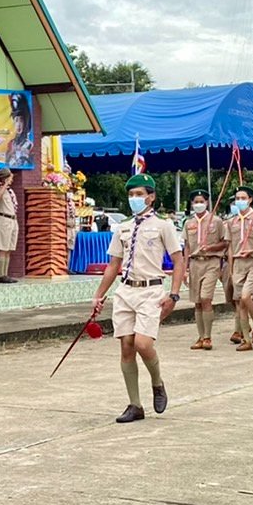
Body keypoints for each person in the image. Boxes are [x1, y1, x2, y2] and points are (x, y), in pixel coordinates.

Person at [91, 174, 182, 422]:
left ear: (151, 197)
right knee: (126, 347)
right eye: (131, 194)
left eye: (139, 194)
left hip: (151, 290)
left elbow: (178, 260)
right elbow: (114, 264)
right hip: (126, 290)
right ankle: (135, 405)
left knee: (143, 343)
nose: (135, 198)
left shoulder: (163, 226)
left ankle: (157, 382)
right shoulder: (123, 227)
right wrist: (99, 295)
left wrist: (174, 294)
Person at [225, 185, 253, 352]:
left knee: (246, 296)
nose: (240, 201)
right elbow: (230, 247)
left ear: (250, 200)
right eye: (237, 199)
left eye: (243, 198)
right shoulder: (232, 221)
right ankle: (246, 339)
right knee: (240, 303)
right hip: (238, 264)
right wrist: (231, 267)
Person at [181, 188, 227, 350]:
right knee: (197, 302)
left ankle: (208, 336)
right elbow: (187, 247)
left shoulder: (216, 221)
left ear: (207, 203)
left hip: (211, 262)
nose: (199, 204)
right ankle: (200, 336)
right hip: (195, 263)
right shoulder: (188, 223)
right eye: (196, 202)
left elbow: (225, 242)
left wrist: (211, 247)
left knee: (206, 298)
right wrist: (185, 269)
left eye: (201, 201)